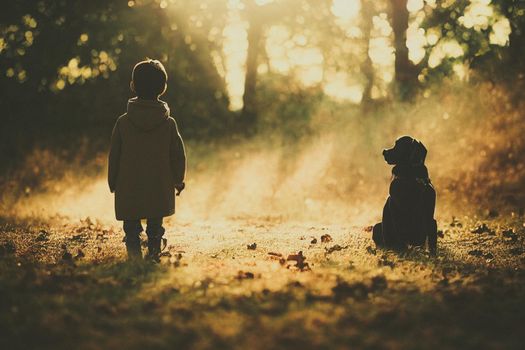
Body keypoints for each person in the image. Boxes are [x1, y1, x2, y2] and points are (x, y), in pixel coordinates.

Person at [108, 59, 186, 262]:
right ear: (163, 88)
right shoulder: (168, 123)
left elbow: (114, 153)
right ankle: (154, 247)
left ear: (133, 85)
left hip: (129, 185)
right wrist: (178, 179)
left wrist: (112, 180)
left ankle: (133, 250)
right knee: (155, 218)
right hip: (158, 185)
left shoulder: (123, 122)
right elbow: (177, 154)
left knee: (131, 221)